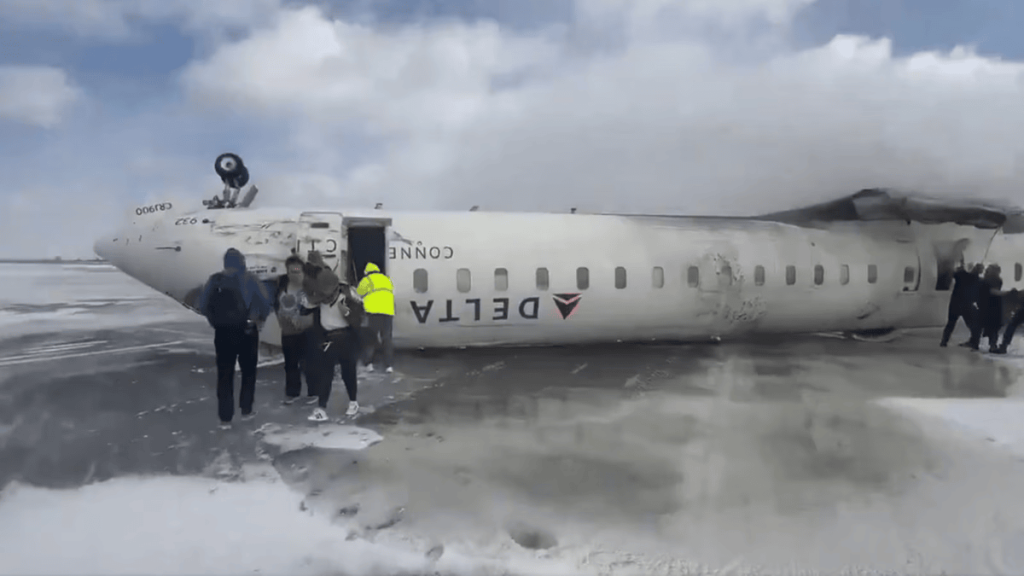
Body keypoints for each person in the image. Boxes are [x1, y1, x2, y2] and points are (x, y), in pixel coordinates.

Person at [195, 248, 273, 429]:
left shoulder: (215, 279)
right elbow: (265, 301)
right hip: (247, 332)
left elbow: (204, 305)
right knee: (248, 372)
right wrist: (259, 319)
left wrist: (216, 322)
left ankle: (225, 418)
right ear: (242, 261)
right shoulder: (250, 279)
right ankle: (246, 410)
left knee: (224, 374)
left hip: (223, 334)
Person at [299, 258, 365, 422]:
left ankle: (353, 402)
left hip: (346, 338)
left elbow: (358, 320)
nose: (326, 299)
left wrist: (347, 313)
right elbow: (304, 310)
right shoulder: (320, 300)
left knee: (347, 372)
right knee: (325, 374)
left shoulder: (346, 299)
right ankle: (321, 408)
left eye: (328, 295)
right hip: (328, 339)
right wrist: (307, 302)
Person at [273, 254, 316, 404]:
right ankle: (292, 393)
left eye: (298, 271)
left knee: (307, 363)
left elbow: (318, 308)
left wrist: (306, 320)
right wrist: (281, 318)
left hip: (306, 331)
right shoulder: (282, 284)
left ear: (303, 271)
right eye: (291, 271)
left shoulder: (310, 286)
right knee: (290, 363)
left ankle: (313, 391)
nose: (295, 275)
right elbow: (276, 303)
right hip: (288, 331)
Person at [356, 262, 395, 373]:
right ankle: (389, 365)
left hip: (374, 312)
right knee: (387, 338)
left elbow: (358, 293)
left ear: (366, 272)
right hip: (388, 311)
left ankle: (369, 364)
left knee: (371, 338)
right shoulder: (387, 279)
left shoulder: (367, 280)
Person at [940, 262, 983, 347]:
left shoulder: (962, 275)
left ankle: (944, 341)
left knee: (950, 324)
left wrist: (960, 269)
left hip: (955, 303)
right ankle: (975, 342)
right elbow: (977, 295)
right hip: (967, 305)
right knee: (972, 325)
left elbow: (953, 274)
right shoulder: (978, 281)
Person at [969, 264, 1007, 352]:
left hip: (987, 306)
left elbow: (990, 290)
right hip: (991, 306)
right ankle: (991, 345)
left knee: (982, 326)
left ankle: (977, 344)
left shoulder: (989, 280)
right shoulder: (994, 280)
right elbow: (992, 290)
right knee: (991, 327)